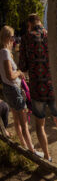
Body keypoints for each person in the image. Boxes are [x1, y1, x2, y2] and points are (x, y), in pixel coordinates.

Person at [18, 15, 57, 166]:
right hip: (54, 87)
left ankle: (48, 157)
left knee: (40, 124)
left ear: (29, 24)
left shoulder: (26, 38)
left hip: (37, 88)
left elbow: (22, 66)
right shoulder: (52, 36)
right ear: (40, 23)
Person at [1, 26, 40, 157]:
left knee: (17, 121)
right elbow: (9, 75)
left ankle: (24, 147)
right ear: (7, 37)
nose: (14, 40)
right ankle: (32, 151)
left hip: (8, 89)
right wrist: (19, 72)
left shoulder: (3, 52)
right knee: (24, 123)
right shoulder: (5, 53)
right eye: (12, 37)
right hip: (13, 90)